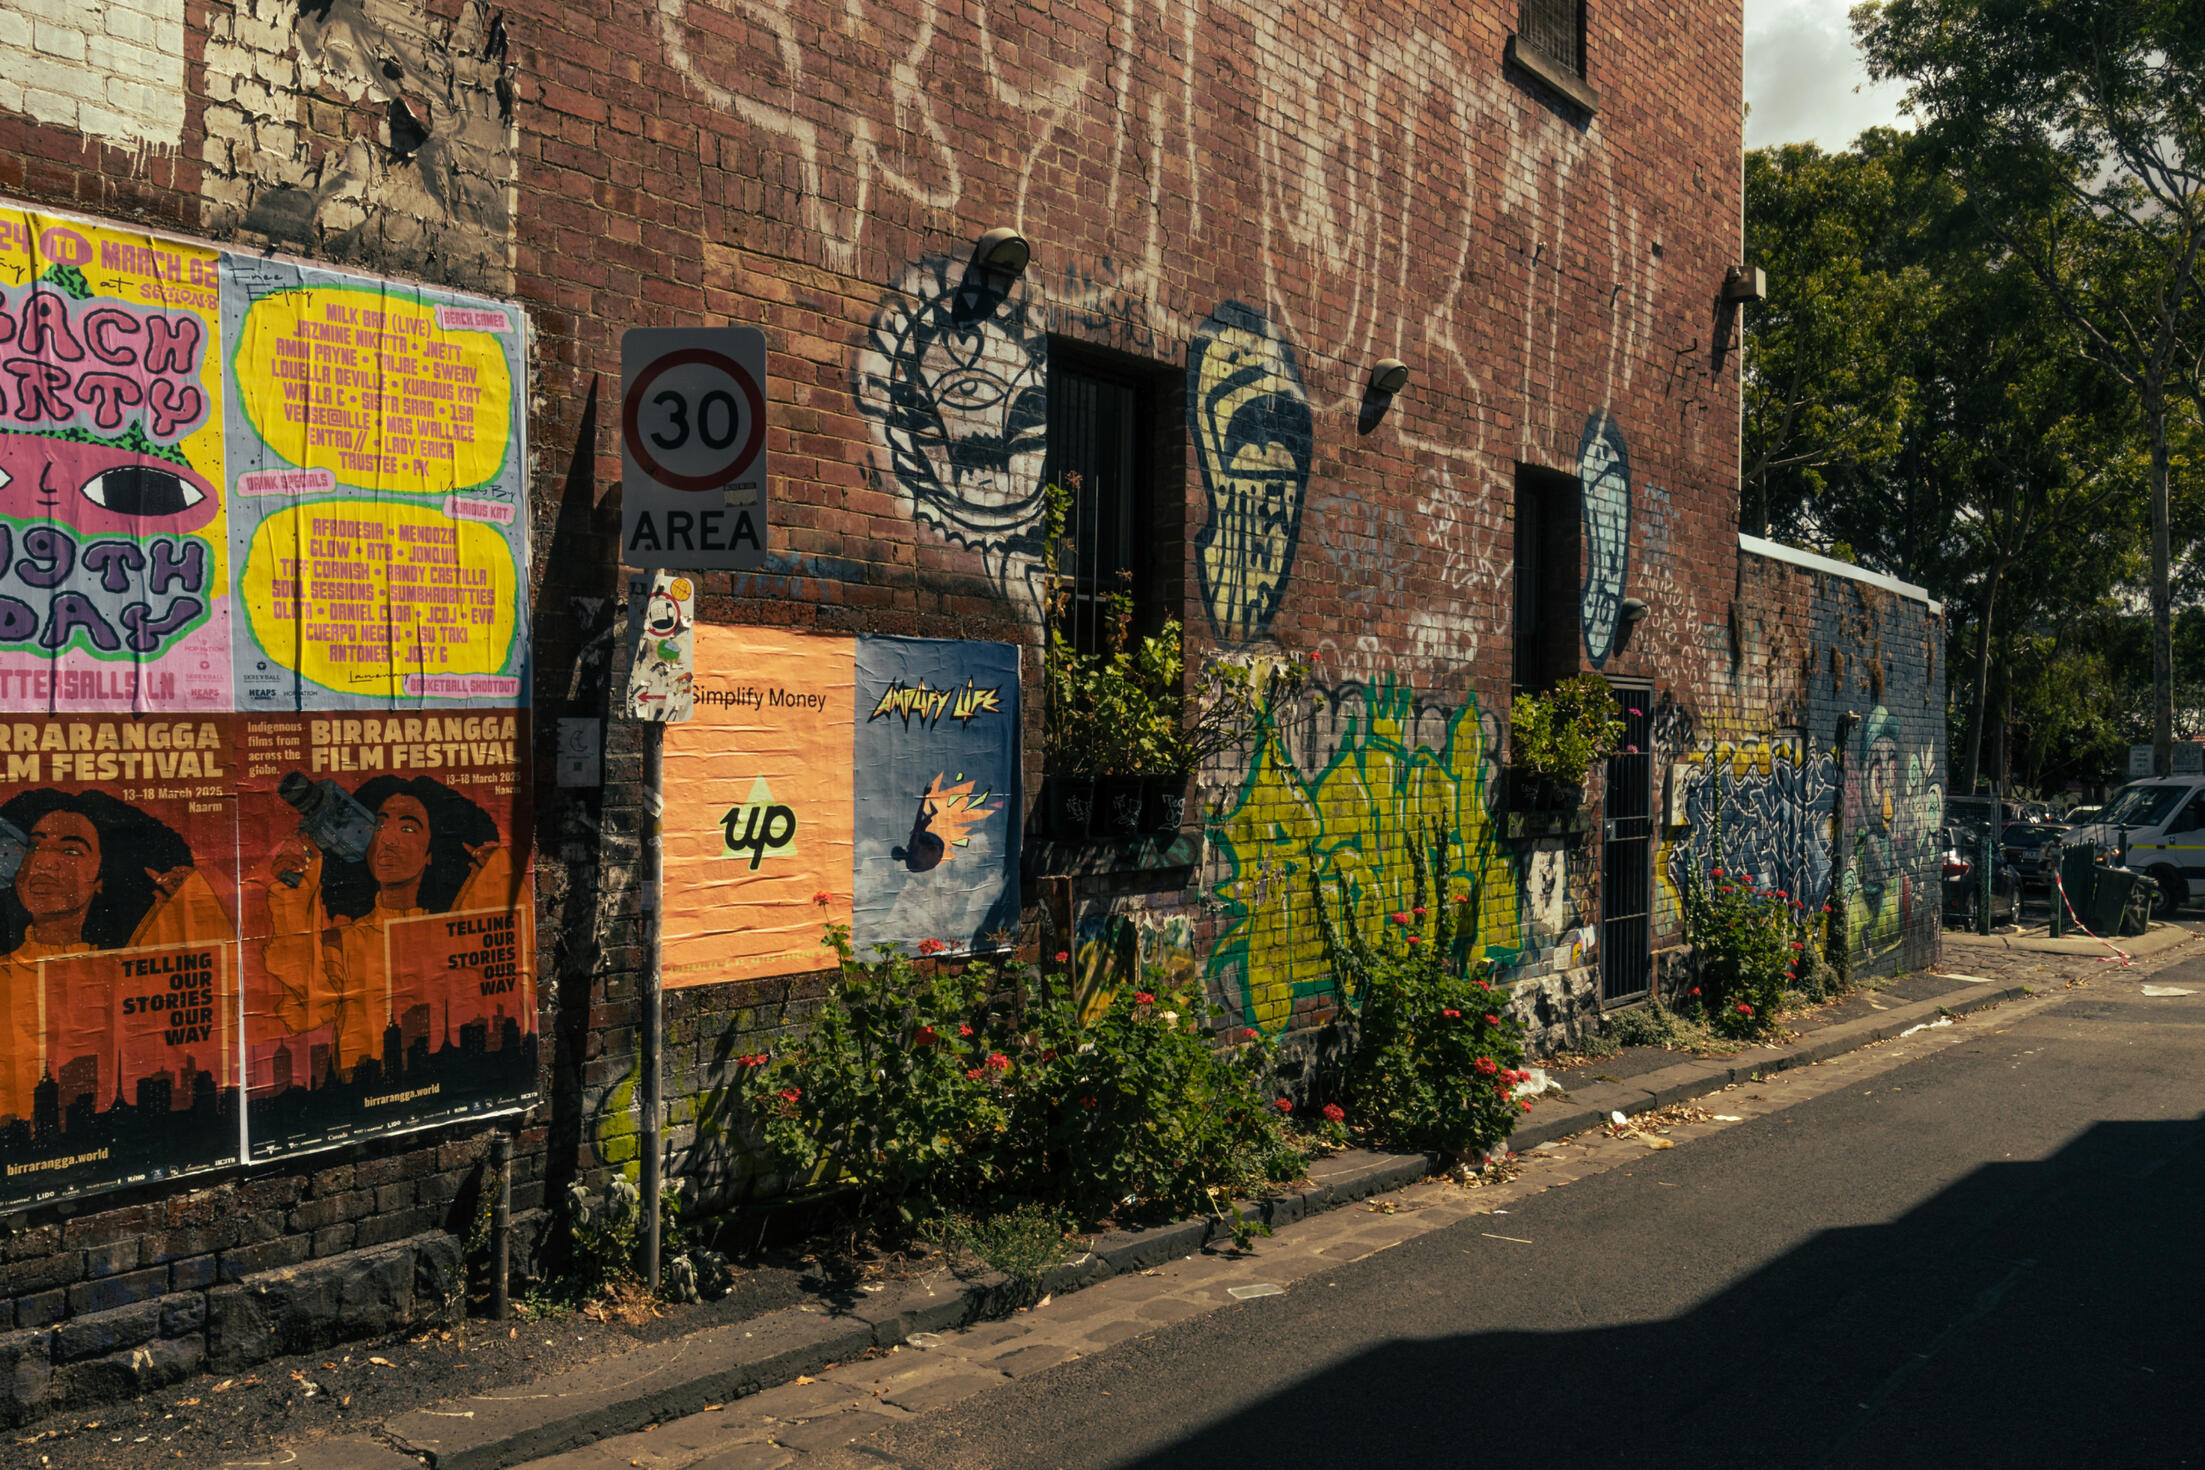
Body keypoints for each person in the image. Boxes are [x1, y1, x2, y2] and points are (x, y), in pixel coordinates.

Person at [258, 775, 507, 1083]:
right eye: (378, 826)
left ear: (431, 853)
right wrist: (294, 894)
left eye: (408, 828)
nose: (389, 840)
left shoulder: (452, 933)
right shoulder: (344, 942)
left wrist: (497, 873)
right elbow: (307, 1010)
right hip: (364, 1088)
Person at [0, 791, 226, 1122]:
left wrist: (194, 906)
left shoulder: (128, 973)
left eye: (71, 850)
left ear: (101, 878)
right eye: (34, 846)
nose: (43, 861)